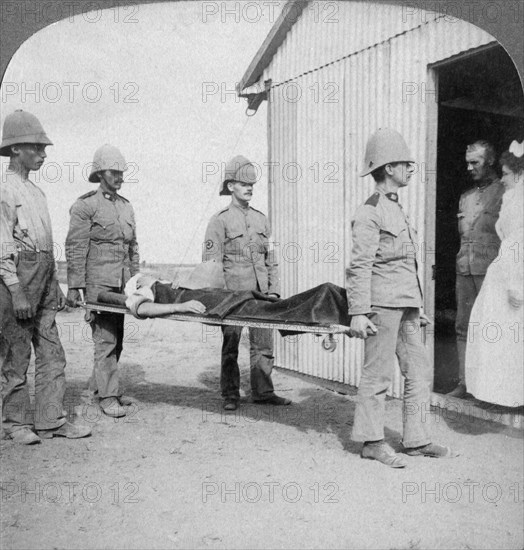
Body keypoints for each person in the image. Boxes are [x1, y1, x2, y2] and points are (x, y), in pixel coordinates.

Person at [348, 128, 456, 468]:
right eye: (405, 164)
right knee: (377, 375)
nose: (411, 169)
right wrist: (358, 312)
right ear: (388, 168)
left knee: (419, 372)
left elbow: (405, 265)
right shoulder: (370, 212)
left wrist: (416, 307)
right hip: (381, 307)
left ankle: (416, 438)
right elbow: (360, 266)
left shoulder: (398, 210)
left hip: (405, 306)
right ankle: (372, 441)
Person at [0, 110, 91, 444]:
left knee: (52, 353)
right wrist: (16, 290)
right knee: (16, 353)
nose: (43, 154)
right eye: (35, 148)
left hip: (43, 276)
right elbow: (2, 247)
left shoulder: (37, 193)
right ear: (14, 150)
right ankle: (16, 423)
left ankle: (51, 420)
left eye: (43, 148)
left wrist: (55, 285)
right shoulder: (4, 190)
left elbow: (44, 248)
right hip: (15, 280)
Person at [203, 156, 291, 411]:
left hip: (261, 295)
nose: (250, 188)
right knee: (231, 345)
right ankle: (230, 394)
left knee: (263, 344)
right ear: (231, 186)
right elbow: (211, 265)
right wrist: (217, 298)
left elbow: (271, 259)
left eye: (252, 183)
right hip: (233, 296)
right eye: (243, 183)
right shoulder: (219, 221)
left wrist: (273, 290)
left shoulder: (262, 220)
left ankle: (263, 391)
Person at [65, 144, 139, 419]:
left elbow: (133, 247)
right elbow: (75, 247)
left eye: (121, 171)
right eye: (113, 171)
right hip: (99, 286)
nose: (119, 176)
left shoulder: (126, 206)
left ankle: (102, 389)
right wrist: (75, 286)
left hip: (121, 285)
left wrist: (136, 280)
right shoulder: (86, 205)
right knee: (105, 341)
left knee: (117, 340)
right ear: (100, 173)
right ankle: (108, 398)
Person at [465, 140, 524, 407]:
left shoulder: (519, 202)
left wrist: (514, 285)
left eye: (507, 173)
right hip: (505, 272)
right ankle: (503, 394)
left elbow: (516, 244)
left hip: (513, 274)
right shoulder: (512, 198)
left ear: (520, 174)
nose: (503, 178)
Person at [448, 141, 504, 397]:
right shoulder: (466, 197)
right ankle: (464, 383)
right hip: (465, 272)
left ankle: (492, 389)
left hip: (491, 274)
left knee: (492, 328)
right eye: (467, 162)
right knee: (463, 327)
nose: (469, 168)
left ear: (490, 161)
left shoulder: (505, 193)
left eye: (475, 162)